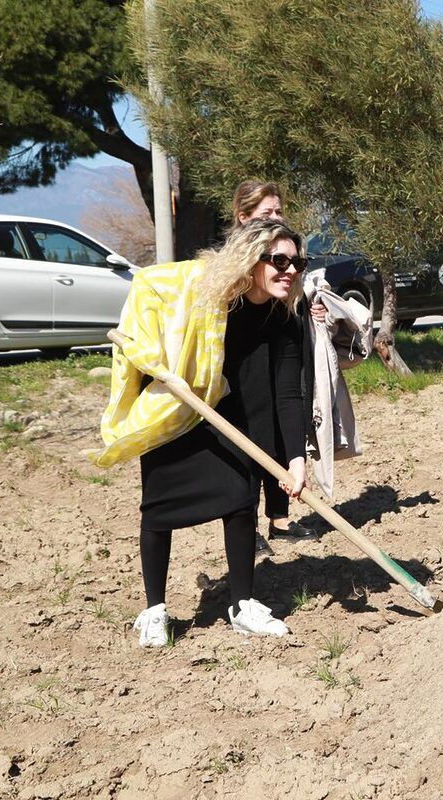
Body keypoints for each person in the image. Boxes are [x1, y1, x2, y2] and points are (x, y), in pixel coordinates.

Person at [91, 220, 309, 645]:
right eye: (279, 260)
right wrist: (155, 355)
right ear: (252, 260)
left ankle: (242, 604)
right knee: (159, 507)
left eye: (297, 262)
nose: (290, 270)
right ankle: (154, 609)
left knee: (242, 505)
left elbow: (288, 394)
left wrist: (296, 460)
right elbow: (149, 286)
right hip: (185, 407)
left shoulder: (286, 319)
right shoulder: (209, 299)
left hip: (246, 420)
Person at [232, 181, 322, 552]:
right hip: (240, 378)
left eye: (278, 212)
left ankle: (279, 518)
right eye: (266, 213)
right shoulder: (232, 284)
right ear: (243, 217)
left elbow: (288, 391)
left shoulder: (284, 284)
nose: (276, 218)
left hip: (278, 356)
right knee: (252, 426)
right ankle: (244, 524)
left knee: (283, 412)